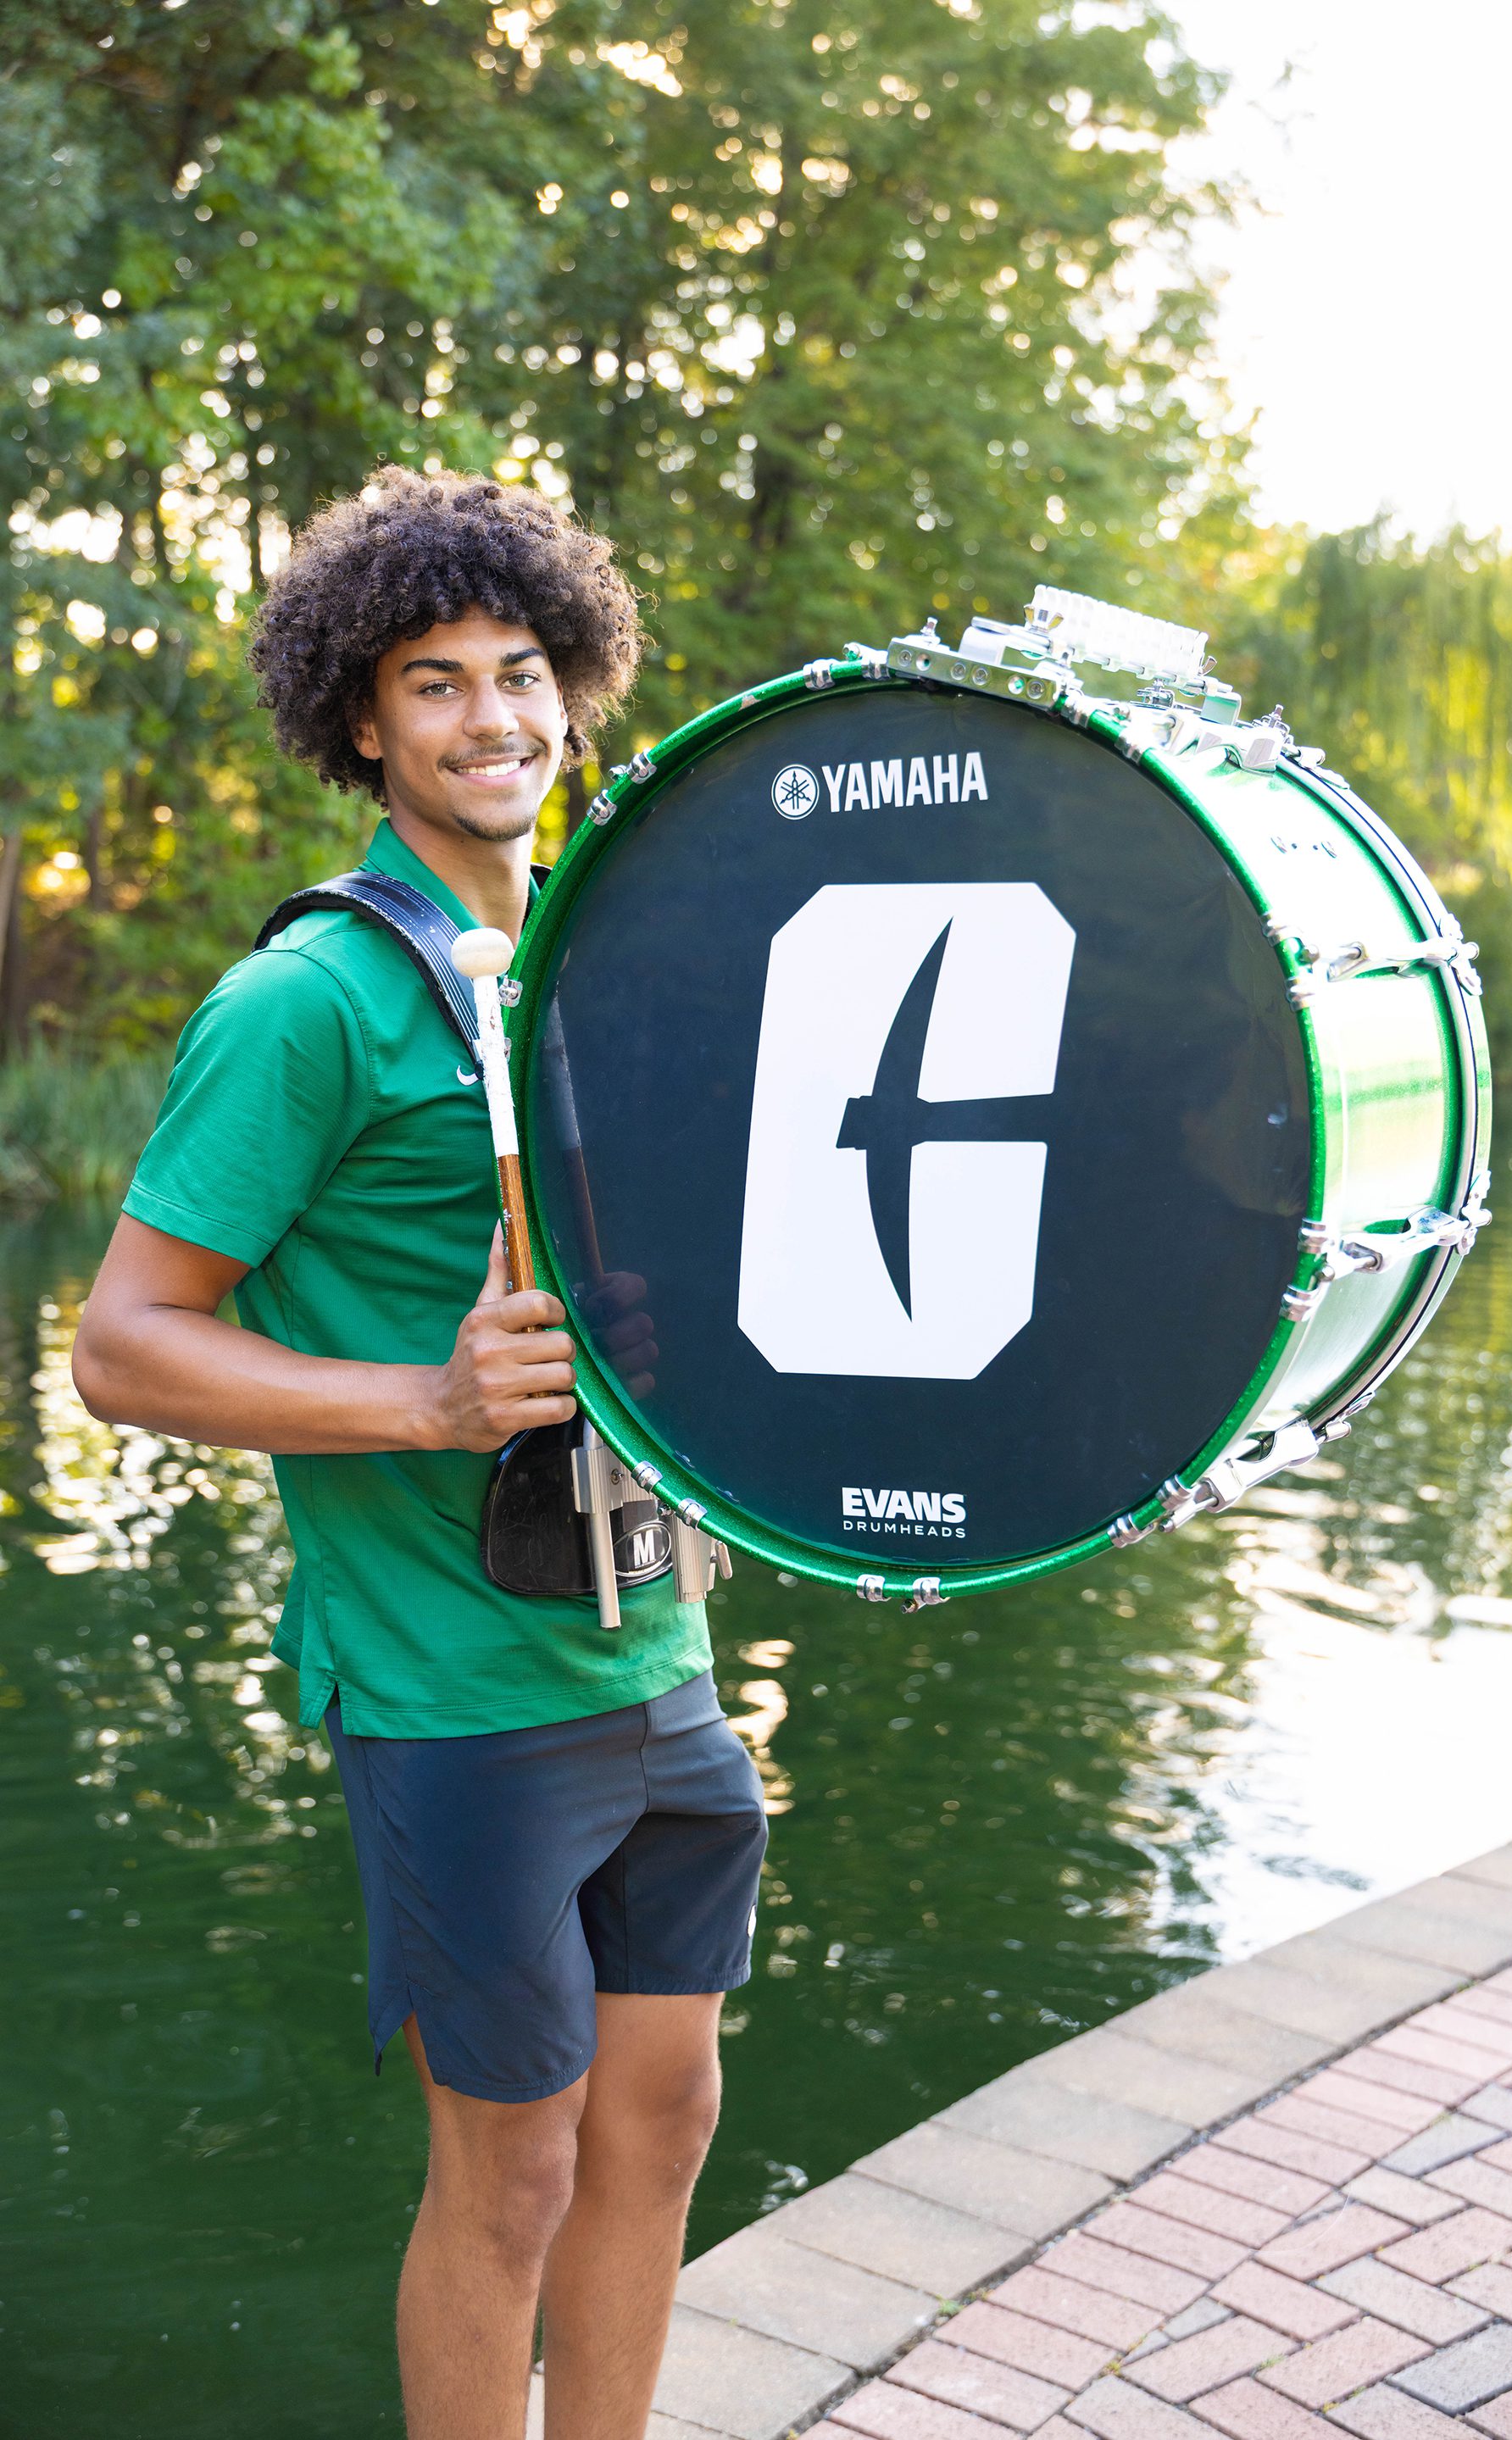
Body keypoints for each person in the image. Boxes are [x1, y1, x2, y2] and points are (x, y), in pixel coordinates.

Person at [72, 467, 769, 2440]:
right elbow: (123, 1348)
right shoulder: (303, 999)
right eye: (438, 682)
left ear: (578, 685)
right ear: (363, 724)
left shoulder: (586, 958)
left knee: (665, 2121)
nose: (496, 720)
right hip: (454, 1692)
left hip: (654, 1653)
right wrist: (424, 1404)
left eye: (526, 671)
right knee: (514, 2169)